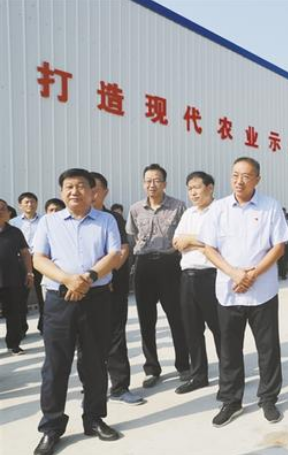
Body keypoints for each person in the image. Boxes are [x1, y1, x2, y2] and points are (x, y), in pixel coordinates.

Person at [32, 168, 123, 455]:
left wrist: (87, 278)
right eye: (69, 186)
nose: (75, 191)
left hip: (96, 298)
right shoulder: (49, 221)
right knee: (55, 365)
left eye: (81, 186)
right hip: (60, 300)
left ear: (92, 191)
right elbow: (38, 259)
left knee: (95, 362)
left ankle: (94, 419)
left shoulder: (106, 220)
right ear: (62, 192)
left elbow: (114, 255)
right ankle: (51, 427)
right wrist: (67, 280)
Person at [200, 157, 288, 427]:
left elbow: (279, 247)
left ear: (257, 179)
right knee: (229, 349)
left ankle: (268, 398)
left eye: (246, 176)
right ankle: (231, 401)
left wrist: (252, 275)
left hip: (263, 291)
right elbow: (209, 249)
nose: (239, 181)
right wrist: (235, 273)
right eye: (235, 175)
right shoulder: (218, 208)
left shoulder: (270, 206)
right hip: (228, 291)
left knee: (268, 348)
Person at [76, 172, 144, 406]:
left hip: (113, 287)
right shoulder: (74, 220)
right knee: (85, 340)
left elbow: (122, 250)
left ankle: (120, 387)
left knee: (115, 336)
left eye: (96, 189)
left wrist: (108, 274)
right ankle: (90, 388)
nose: (91, 194)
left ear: (105, 192)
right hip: (83, 289)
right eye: (88, 189)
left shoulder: (112, 218)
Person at [126, 163, 190, 389]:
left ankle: (184, 365)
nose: (151, 184)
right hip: (144, 265)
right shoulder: (135, 209)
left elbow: (185, 235)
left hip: (170, 264)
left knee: (177, 318)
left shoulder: (178, 206)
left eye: (156, 180)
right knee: (146, 320)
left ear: (164, 183)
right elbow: (133, 236)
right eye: (147, 180)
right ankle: (152, 369)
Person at [172, 171, 221, 395]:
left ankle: (229, 374)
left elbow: (218, 242)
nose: (193, 192)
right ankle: (199, 375)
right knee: (192, 329)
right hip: (187, 277)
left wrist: (190, 239)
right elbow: (176, 242)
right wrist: (199, 241)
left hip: (211, 276)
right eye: (189, 188)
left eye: (197, 187)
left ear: (209, 188)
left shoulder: (220, 211)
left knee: (219, 328)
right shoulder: (188, 213)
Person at [0, 198, 33, 355]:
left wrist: (29, 272)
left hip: (12, 279)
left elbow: (25, 253)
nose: (0, 211)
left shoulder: (15, 232)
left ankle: (13, 344)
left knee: (14, 314)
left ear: (8, 213)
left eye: (3, 208)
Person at [10, 192, 43, 335]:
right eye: (26, 202)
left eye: (32, 201)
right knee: (20, 298)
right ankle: (21, 328)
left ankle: (44, 327)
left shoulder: (45, 221)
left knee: (43, 296)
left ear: (37, 203)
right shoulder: (14, 223)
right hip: (21, 263)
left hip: (41, 261)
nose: (30, 204)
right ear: (20, 205)